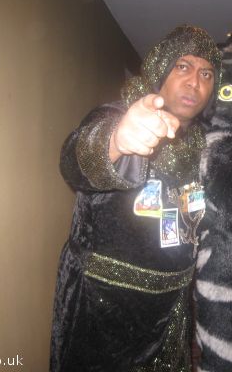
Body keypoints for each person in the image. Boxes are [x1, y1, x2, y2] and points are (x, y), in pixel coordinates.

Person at [49, 25, 221, 372]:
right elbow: (75, 162)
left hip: (172, 308)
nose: (195, 82)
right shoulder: (119, 116)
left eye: (206, 74)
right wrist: (116, 141)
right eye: (183, 66)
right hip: (105, 308)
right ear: (160, 69)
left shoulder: (202, 144)